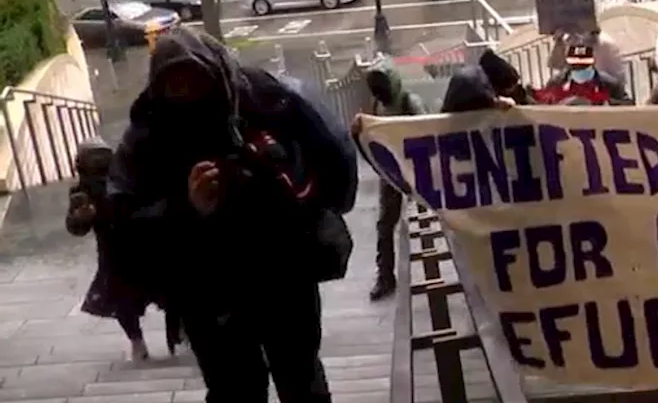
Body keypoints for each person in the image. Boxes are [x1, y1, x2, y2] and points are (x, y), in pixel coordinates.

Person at [110, 28, 359, 402]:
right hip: (205, 287)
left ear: (217, 78)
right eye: (176, 88)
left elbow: (334, 155)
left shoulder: (268, 100)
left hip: (282, 268)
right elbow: (124, 223)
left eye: (196, 84)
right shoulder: (147, 135)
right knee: (235, 388)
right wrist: (185, 207)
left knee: (300, 376)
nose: (188, 96)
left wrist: (300, 201)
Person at [67, 138, 183, 362]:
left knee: (170, 293)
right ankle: (137, 341)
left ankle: (178, 329)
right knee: (123, 302)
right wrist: (83, 218)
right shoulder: (81, 191)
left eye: (102, 156)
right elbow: (75, 226)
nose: (99, 163)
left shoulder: (127, 178)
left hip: (148, 246)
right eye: (93, 158)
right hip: (114, 254)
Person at [361, 58, 425, 302]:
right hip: (390, 171)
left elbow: (426, 133)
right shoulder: (379, 104)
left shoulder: (411, 103)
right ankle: (385, 275)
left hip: (416, 170)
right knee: (385, 224)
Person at [536, 44, 633, 105]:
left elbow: (628, 105)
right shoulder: (556, 83)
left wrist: (603, 103)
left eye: (583, 66)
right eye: (576, 66)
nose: (579, 69)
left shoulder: (609, 84)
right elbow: (544, 106)